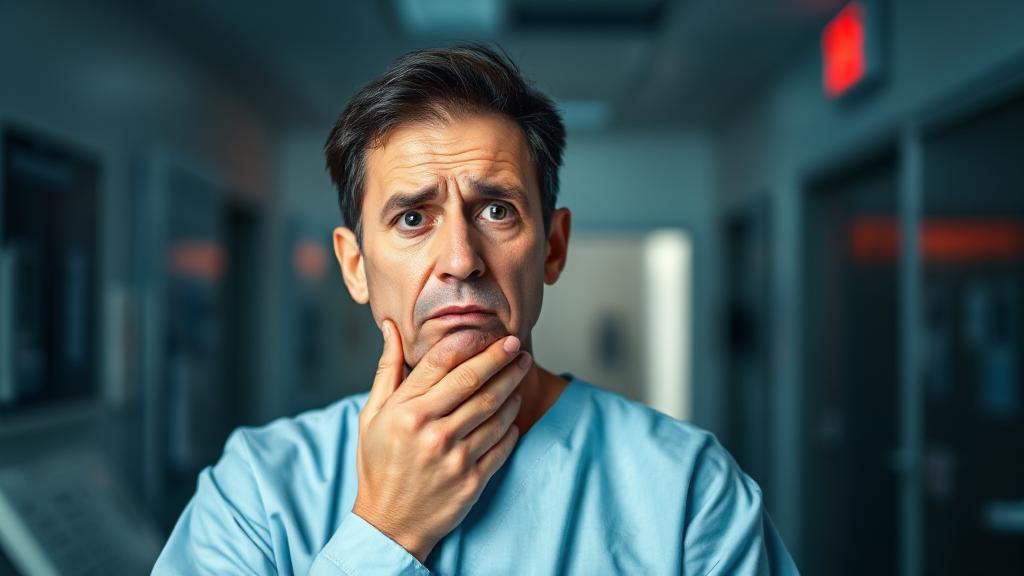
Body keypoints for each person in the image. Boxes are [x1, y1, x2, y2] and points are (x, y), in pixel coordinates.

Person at [152, 44, 798, 575]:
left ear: (552, 247)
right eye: (412, 217)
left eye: (497, 210)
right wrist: (386, 530)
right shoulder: (257, 490)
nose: (461, 258)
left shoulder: (687, 490)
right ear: (354, 266)